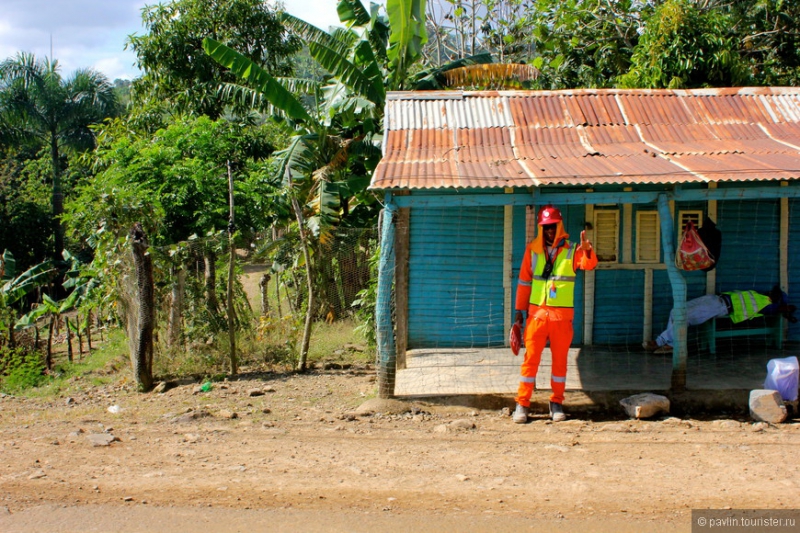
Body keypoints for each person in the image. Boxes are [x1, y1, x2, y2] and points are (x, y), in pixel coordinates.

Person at [512, 205, 598, 423]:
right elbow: (523, 283)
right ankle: (522, 404)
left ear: (560, 226)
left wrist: (588, 249)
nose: (550, 231)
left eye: (553, 227)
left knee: (560, 363)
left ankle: (556, 402)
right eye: (546, 227)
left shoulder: (573, 249)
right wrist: (518, 314)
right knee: (530, 361)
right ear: (542, 228)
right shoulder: (532, 250)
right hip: (537, 316)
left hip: (561, 319)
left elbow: (589, 264)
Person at [643, 288, 792, 354]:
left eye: (775, 293)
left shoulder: (767, 306)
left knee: (684, 318)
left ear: (777, 300)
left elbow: (780, 310)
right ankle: (672, 344)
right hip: (714, 298)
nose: (771, 291)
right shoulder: (758, 294)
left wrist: (787, 310)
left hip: (720, 308)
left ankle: (660, 341)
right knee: (675, 311)